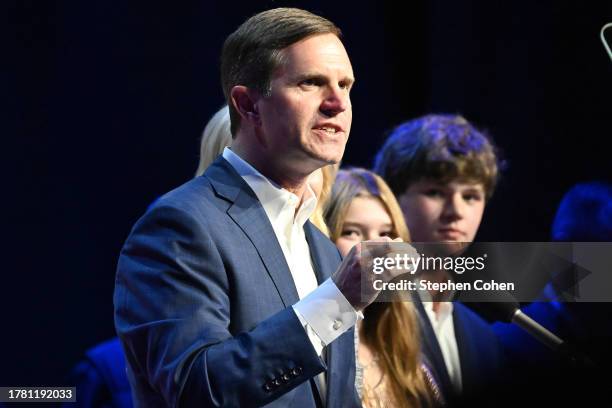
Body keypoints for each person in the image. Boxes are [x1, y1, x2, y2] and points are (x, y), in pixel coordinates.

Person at [114, 8, 408, 407]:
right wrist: (337, 301)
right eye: (312, 83)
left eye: (346, 85)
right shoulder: (180, 224)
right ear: (248, 105)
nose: (338, 103)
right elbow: (196, 389)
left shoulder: (320, 246)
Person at [373, 114, 503, 403]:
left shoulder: (484, 337)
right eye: (435, 192)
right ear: (393, 197)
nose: (456, 211)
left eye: (470, 196)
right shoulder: (369, 309)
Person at [325, 168, 443, 407]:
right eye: (352, 232)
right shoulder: (314, 351)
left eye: (386, 233)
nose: (377, 247)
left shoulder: (406, 356)